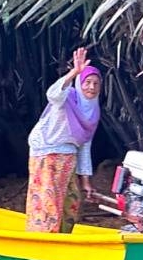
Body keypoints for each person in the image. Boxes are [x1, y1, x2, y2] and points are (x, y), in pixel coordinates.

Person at [24, 47, 101, 233]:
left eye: (96, 84)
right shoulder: (67, 97)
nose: (91, 87)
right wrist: (74, 72)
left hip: (68, 156)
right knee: (48, 200)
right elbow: (52, 94)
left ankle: (62, 237)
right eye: (87, 82)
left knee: (71, 200)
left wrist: (86, 181)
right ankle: (43, 238)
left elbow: (85, 146)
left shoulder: (93, 111)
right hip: (47, 151)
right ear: (79, 83)